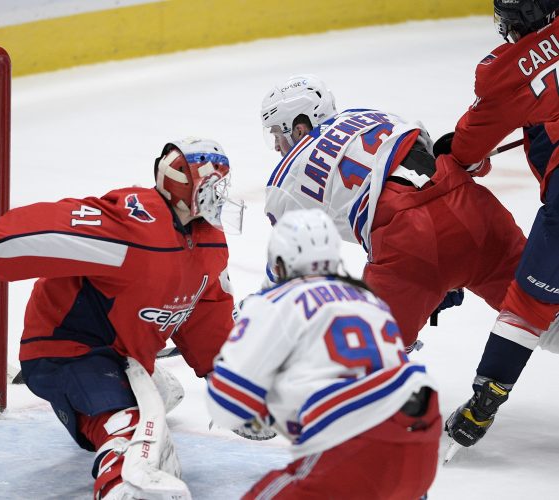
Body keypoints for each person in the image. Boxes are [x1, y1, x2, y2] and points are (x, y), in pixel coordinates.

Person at [0, 137, 241, 499]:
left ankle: (137, 392)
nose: (219, 196)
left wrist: (228, 381)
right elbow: (51, 230)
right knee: (126, 429)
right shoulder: (135, 224)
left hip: (123, 355)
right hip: (67, 350)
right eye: (213, 185)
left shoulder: (209, 241)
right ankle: (121, 488)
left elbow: (206, 311)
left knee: (152, 411)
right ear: (183, 186)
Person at [259, 74, 527, 354]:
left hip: (408, 243)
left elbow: (287, 269)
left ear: (299, 128)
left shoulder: (284, 183)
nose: (277, 145)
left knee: (370, 356)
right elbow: (469, 164)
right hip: (473, 208)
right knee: (540, 310)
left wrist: (255, 310)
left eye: (278, 133)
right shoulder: (373, 115)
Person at [207, 209, 440, 499]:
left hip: (356, 446)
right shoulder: (368, 300)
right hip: (421, 442)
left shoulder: (274, 303)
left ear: (279, 262)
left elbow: (227, 404)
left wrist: (269, 407)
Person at [439, 0, 559, 449]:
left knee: (529, 305)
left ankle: (483, 402)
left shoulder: (505, 70)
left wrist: (461, 154)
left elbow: (470, 144)